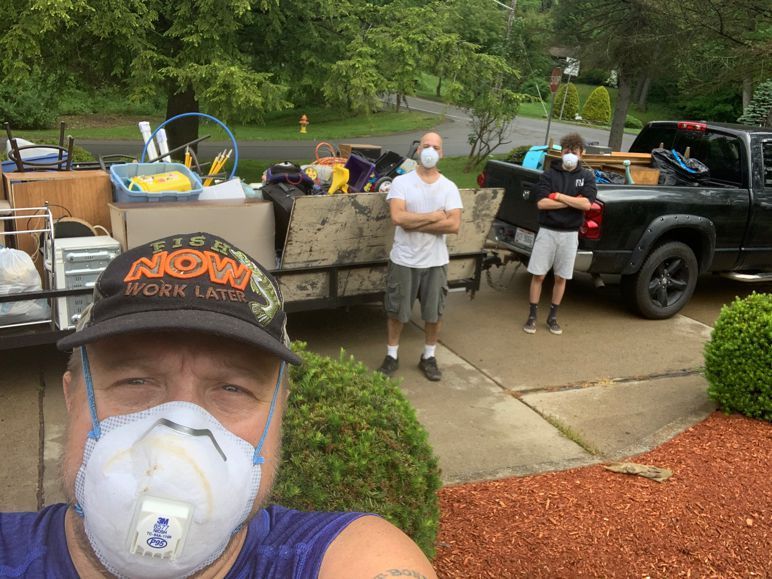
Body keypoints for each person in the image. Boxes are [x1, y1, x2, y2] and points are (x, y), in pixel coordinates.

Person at [0, 232, 437, 579]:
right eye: (135, 379)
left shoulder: (335, 558)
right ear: (71, 395)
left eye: (232, 389)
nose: (177, 434)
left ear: (277, 414)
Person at [377, 132, 463, 382]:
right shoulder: (401, 183)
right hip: (404, 260)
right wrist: (435, 217)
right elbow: (397, 218)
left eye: (436, 147)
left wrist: (414, 223)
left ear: (442, 153)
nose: (430, 151)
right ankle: (391, 355)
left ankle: (429, 356)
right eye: (426, 146)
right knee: (396, 311)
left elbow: (454, 225)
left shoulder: (448, 187)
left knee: (434, 313)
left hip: (435, 262)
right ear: (418, 150)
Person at [523, 132, 597, 335]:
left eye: (574, 151)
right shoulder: (549, 175)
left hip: (570, 235)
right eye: (566, 151)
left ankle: (553, 317)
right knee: (538, 275)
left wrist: (559, 196)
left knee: (561, 278)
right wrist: (573, 201)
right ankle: (532, 316)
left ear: (582, 153)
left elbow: (587, 203)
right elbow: (542, 203)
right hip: (547, 232)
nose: (570, 155)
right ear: (561, 152)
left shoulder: (587, 177)